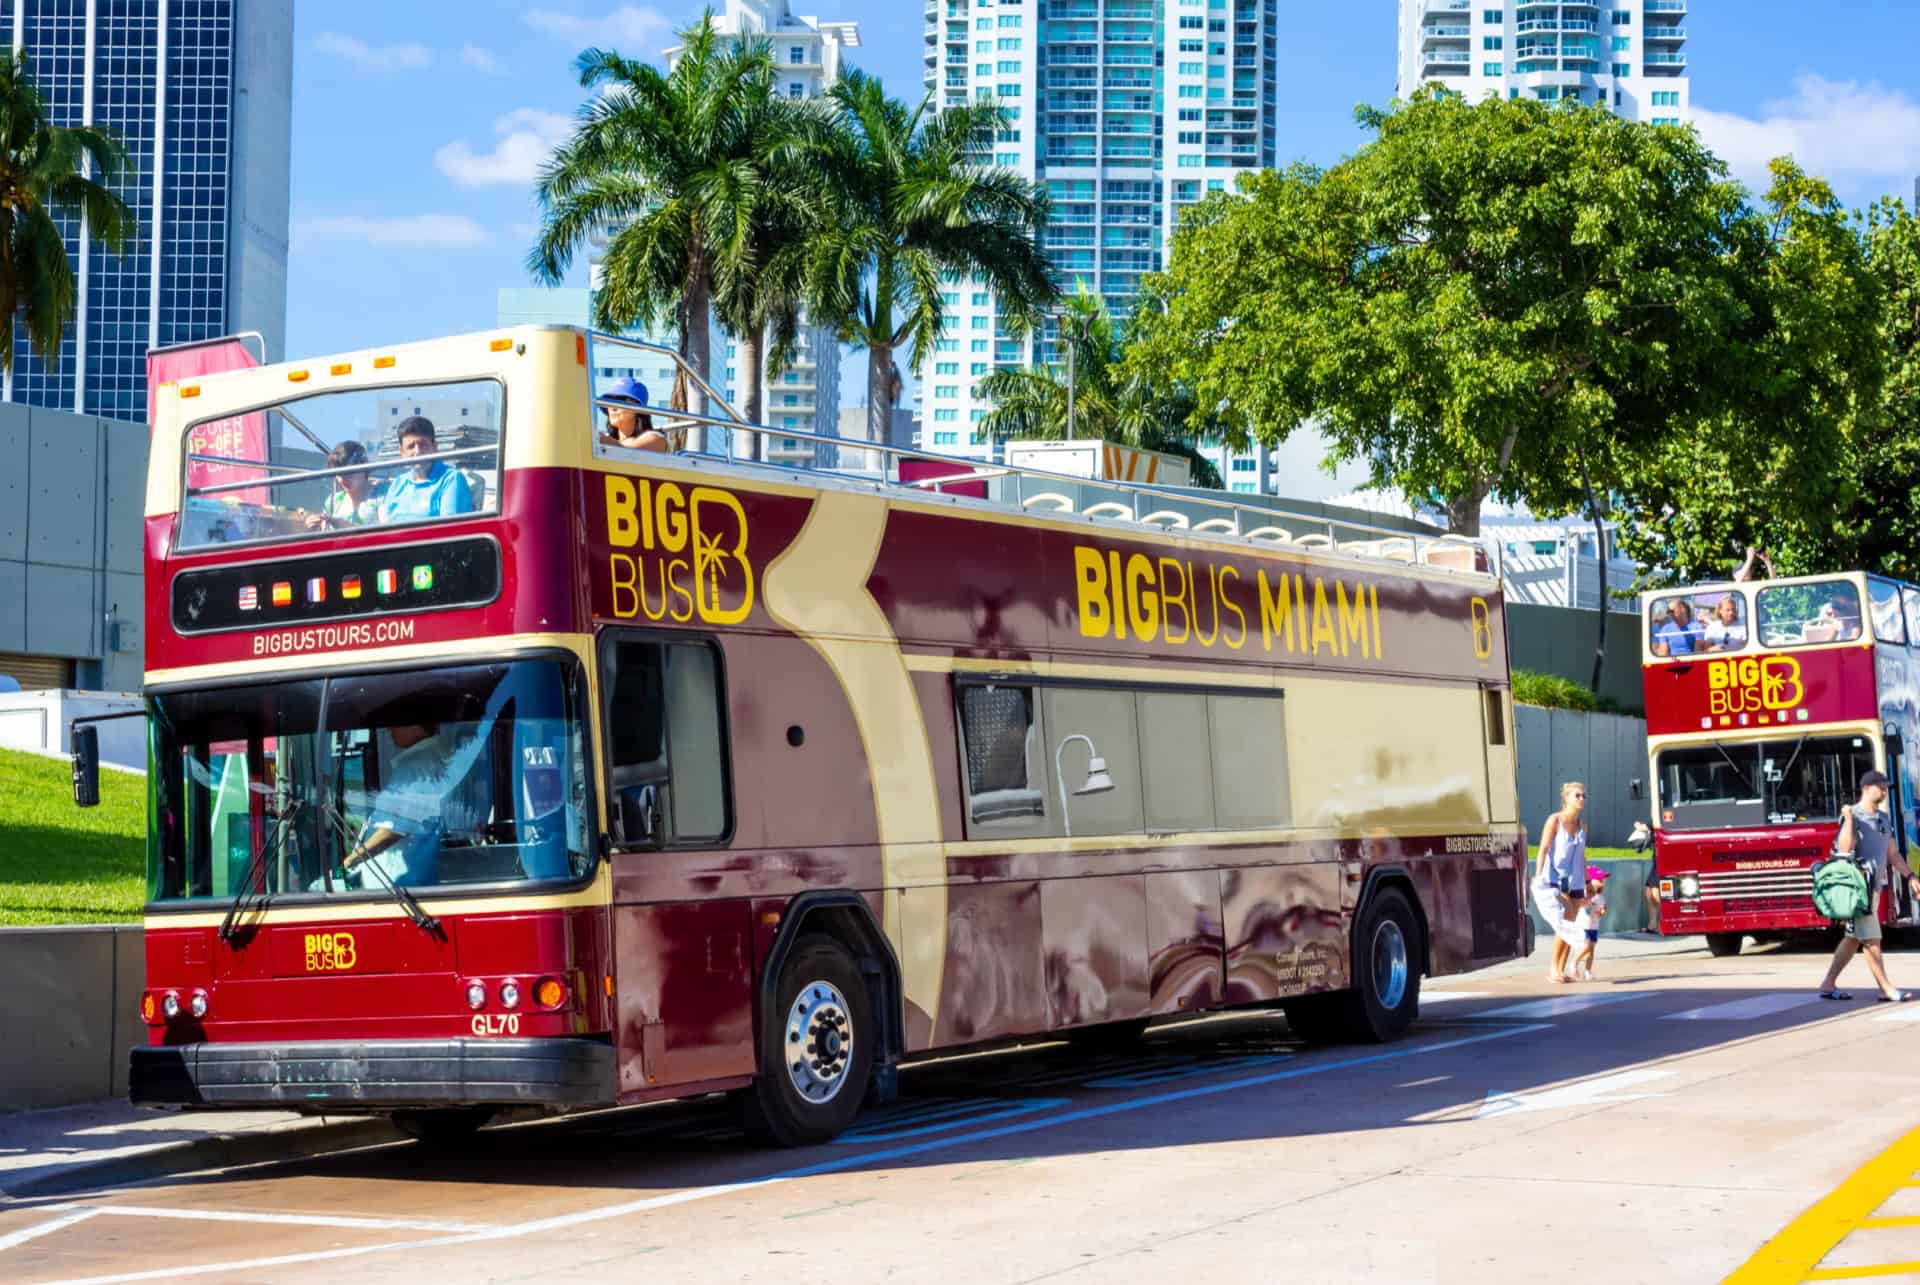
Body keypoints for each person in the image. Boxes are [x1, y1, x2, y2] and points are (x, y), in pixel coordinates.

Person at [1816, 770, 1919, 1002]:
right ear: (1866, 788)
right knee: (1872, 938)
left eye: (1885, 788)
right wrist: (1849, 820)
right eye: (1880, 787)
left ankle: (1828, 983)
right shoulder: (1853, 815)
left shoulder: (1883, 819)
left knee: (1853, 939)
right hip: (1857, 890)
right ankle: (1885, 988)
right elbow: (1844, 848)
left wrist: (1911, 876)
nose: (1884, 791)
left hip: (1874, 889)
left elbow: (1892, 853)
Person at [342, 723, 458, 889]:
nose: (389, 729)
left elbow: (393, 829)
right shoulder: (435, 760)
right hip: (413, 882)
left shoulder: (417, 766)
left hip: (395, 887)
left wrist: (348, 863)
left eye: (395, 722)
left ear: (417, 724)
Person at [1534, 782, 1589, 984]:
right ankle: (1553, 968)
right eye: (1577, 796)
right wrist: (1538, 875)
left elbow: (1583, 856)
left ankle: (1561, 969)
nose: (1581, 799)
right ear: (1566, 798)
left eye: (1584, 796)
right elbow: (1543, 849)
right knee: (1564, 923)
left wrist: (1588, 882)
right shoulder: (1555, 821)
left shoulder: (1582, 825)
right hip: (1556, 880)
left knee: (1571, 924)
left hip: (1575, 881)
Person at [379, 416, 475, 521]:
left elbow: (449, 530)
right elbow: (385, 525)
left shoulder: (451, 479)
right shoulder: (397, 484)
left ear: (435, 447)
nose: (418, 452)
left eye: (423, 445)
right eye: (411, 446)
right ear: (402, 452)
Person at [304, 440, 386, 530]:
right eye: (339, 474)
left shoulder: (382, 494)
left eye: (349, 473)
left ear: (364, 467)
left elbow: (387, 534)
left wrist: (341, 525)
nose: (344, 479)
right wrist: (317, 526)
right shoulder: (333, 501)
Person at [597, 377, 667, 453]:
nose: (612, 407)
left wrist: (598, 438)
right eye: (610, 400)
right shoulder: (608, 441)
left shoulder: (656, 438)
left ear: (638, 408)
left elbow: (625, 453)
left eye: (620, 400)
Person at [1569, 867, 1610, 981]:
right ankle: (1574, 963)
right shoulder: (1586, 894)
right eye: (1600, 879)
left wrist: (1601, 912)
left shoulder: (1601, 897)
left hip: (1594, 926)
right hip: (1584, 926)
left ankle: (1587, 971)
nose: (1603, 881)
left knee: (1591, 951)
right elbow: (1581, 904)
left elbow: (1604, 909)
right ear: (1591, 881)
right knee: (1587, 947)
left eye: (1603, 879)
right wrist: (1586, 902)